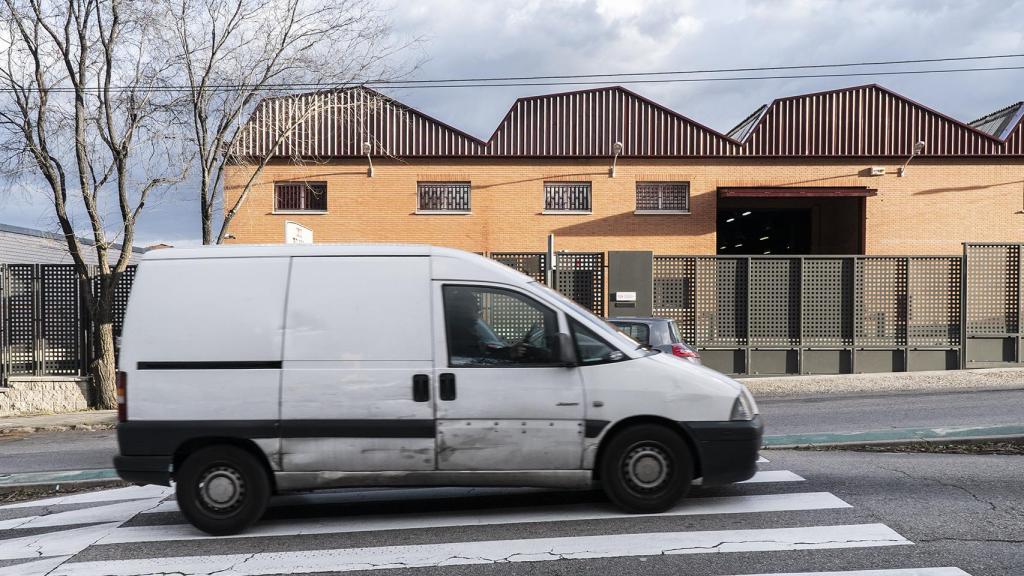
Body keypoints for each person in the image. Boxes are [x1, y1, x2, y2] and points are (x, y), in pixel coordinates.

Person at [445, 288, 531, 364]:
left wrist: (509, 351)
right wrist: (509, 354)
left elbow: (486, 353)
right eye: (474, 305)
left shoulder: (466, 329)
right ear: (462, 308)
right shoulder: (459, 334)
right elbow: (478, 359)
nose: (478, 309)